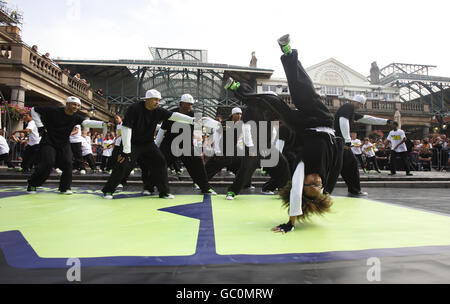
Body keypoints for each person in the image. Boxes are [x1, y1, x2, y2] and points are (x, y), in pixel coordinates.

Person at [227, 34, 343, 234]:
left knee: (272, 99)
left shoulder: (301, 168)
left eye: (310, 184)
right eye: (318, 184)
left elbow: (296, 193)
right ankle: (288, 51)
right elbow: (337, 161)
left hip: (301, 128)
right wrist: (326, 191)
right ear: (322, 187)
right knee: (302, 91)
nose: (315, 180)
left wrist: (290, 223)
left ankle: (238, 89)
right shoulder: (328, 179)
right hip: (322, 120)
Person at [101, 89, 216, 199]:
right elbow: (126, 128)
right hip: (132, 143)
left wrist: (193, 120)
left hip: (148, 143)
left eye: (158, 100)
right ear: (147, 99)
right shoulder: (134, 108)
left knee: (160, 162)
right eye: (155, 100)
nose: (157, 102)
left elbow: (175, 116)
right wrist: (126, 149)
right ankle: (108, 190)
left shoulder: (159, 111)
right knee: (124, 165)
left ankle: (164, 192)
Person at [27, 96, 110, 194]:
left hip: (64, 142)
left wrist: (103, 124)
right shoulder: (54, 110)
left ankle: (64, 188)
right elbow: (33, 110)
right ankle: (33, 184)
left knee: (68, 163)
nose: (76, 107)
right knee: (48, 163)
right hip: (49, 141)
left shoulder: (76, 117)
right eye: (74, 104)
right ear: (67, 104)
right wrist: (40, 126)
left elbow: (86, 122)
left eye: (78, 105)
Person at [155, 94, 217, 195]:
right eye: (187, 104)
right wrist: (157, 146)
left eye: (191, 105)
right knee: (159, 164)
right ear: (181, 104)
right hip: (169, 145)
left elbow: (197, 134)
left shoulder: (194, 115)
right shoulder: (171, 114)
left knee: (198, 164)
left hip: (187, 146)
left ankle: (205, 188)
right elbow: (162, 130)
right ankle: (149, 187)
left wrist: (198, 150)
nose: (190, 107)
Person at [334, 94, 391, 197]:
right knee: (348, 165)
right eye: (360, 105)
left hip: (339, 141)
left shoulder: (350, 111)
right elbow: (343, 121)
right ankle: (352, 190)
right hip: (340, 141)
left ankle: (353, 190)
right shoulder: (348, 107)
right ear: (358, 102)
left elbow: (367, 119)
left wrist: (385, 121)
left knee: (346, 165)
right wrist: (347, 139)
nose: (360, 107)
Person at [204, 107, 245, 191]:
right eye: (237, 114)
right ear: (233, 114)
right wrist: (217, 150)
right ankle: (201, 182)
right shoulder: (224, 123)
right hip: (222, 150)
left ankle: (246, 183)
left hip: (232, 150)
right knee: (213, 166)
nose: (239, 116)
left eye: (240, 114)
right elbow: (217, 136)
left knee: (240, 165)